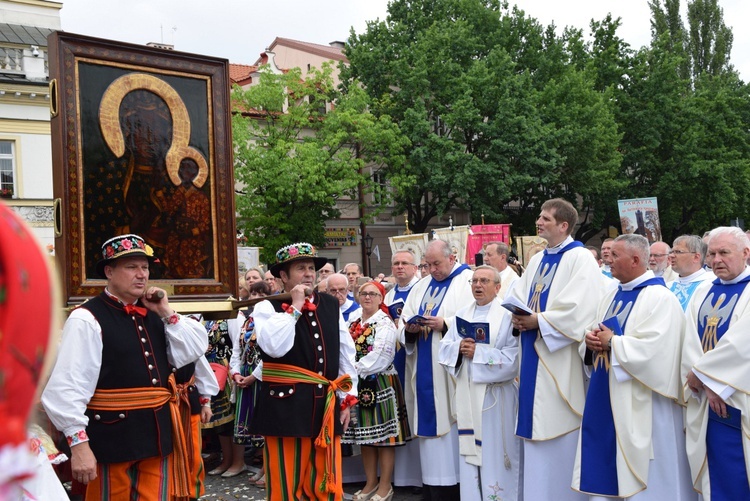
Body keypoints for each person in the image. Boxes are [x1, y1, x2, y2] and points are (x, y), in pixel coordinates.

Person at [41, 234, 208, 499]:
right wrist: (79, 445)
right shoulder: (86, 318)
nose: (141, 274)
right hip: (110, 439)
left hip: (157, 437)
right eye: (131, 267)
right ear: (109, 271)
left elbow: (192, 351)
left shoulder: (155, 313)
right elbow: (67, 387)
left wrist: (166, 311)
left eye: (145, 267)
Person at [573, 234, 695, 500]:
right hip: (606, 393)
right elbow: (596, 330)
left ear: (636, 260)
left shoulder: (660, 298)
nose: (608, 259)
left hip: (646, 402)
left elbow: (659, 351)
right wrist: (590, 341)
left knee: (650, 476)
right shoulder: (611, 295)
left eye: (615, 255)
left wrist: (613, 344)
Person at [504, 198, 603, 501]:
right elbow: (519, 294)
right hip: (533, 357)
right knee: (535, 431)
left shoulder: (580, 258)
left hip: (558, 360)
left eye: (545, 218)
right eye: (539, 216)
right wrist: (518, 316)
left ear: (563, 225)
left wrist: (539, 321)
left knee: (558, 429)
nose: (539, 221)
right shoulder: (536, 259)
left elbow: (580, 308)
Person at [250, 242, 358, 500]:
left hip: (325, 404)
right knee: (287, 482)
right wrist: (295, 307)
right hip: (285, 406)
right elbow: (274, 347)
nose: (309, 273)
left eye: (311, 268)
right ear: (283, 276)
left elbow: (345, 351)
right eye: (301, 268)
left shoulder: (330, 305)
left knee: (325, 480)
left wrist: (347, 398)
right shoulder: (267, 306)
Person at [398, 239, 473, 500]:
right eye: (427, 265)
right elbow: (403, 320)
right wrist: (409, 329)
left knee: (451, 428)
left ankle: (456, 488)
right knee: (430, 433)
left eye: (436, 264)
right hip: (424, 367)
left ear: (452, 258)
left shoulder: (467, 281)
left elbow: (478, 317)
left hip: (450, 373)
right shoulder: (421, 286)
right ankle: (431, 486)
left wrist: (446, 323)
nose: (432, 270)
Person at [438, 265, 521, 501]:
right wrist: (459, 348)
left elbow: (514, 358)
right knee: (471, 458)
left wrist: (480, 354)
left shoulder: (507, 317)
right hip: (468, 393)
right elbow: (444, 350)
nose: (477, 285)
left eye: (484, 281)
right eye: (474, 281)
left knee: (495, 454)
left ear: (497, 287)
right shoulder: (462, 315)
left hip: (497, 398)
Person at [682, 226, 750, 500]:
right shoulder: (702, 290)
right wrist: (703, 381)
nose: (717, 259)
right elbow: (688, 339)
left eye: (724, 252)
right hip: (706, 398)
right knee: (713, 474)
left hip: (739, 396)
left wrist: (708, 378)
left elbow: (742, 343)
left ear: (746, 253)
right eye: (712, 253)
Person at [343, 281, 411, 501]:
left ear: (381, 299)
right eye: (363, 293)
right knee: (365, 436)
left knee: (383, 438)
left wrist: (352, 370)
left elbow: (382, 355)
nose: (367, 297)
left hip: (380, 382)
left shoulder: (385, 323)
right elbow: (343, 348)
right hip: (358, 382)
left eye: (373, 294)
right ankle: (370, 482)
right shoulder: (353, 320)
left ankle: (385, 485)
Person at [382, 250, 422, 488]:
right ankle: (401, 476)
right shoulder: (388, 295)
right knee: (397, 415)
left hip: (415, 357)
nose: (399, 267)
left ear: (415, 267)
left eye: (404, 263)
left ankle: (417, 477)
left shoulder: (421, 289)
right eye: (395, 263)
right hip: (394, 358)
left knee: (414, 408)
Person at [230, 280, 272, 488]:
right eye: (253, 294)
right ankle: (264, 469)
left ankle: (268, 469)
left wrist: (254, 376)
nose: (256, 298)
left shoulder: (270, 319)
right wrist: (235, 372)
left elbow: (270, 354)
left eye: (260, 294)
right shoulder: (247, 320)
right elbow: (237, 350)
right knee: (250, 424)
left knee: (263, 426)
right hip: (246, 375)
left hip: (260, 378)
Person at [203, 315, 245, 478]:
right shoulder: (206, 318)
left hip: (227, 373)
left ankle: (238, 461)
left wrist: (235, 371)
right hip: (212, 372)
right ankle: (226, 459)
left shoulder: (232, 317)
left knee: (232, 418)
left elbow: (238, 345)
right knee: (220, 420)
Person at [667, 235, 715, 311]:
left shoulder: (711, 284)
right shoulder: (667, 286)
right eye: (672, 252)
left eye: (678, 252)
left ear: (696, 257)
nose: (671, 256)